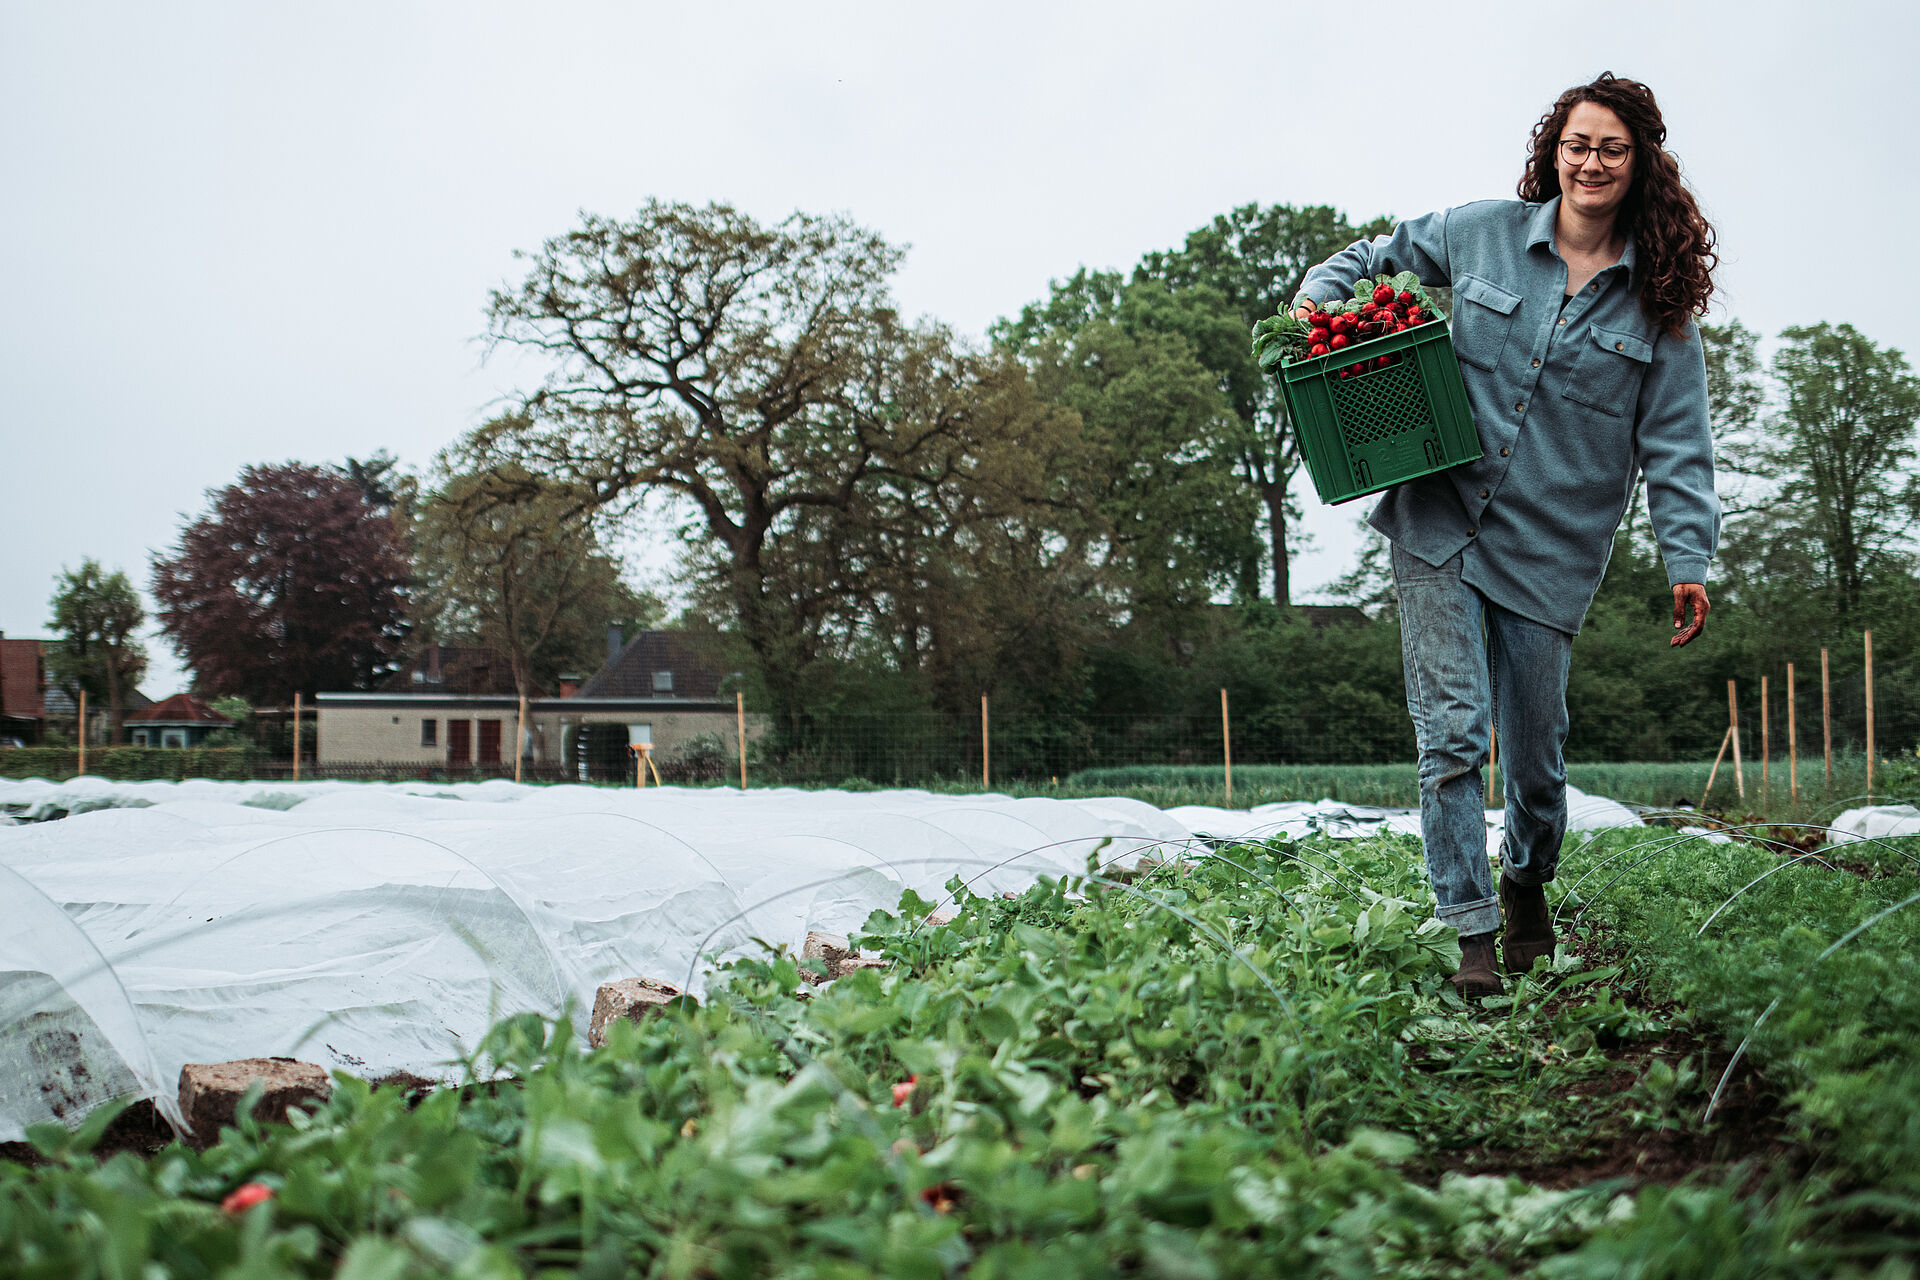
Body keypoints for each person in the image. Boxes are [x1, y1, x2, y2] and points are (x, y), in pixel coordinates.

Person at [1291, 72, 1720, 998]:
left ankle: (1527, 879)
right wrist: (1314, 309)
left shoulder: (1659, 305)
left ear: (1639, 162)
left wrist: (1688, 558)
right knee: (1450, 735)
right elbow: (1368, 258)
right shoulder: (1480, 232)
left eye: (1611, 147)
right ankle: (1472, 936)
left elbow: (1678, 445)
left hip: (1551, 552)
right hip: (1438, 520)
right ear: (1552, 152)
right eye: (1577, 144)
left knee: (1534, 758)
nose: (1591, 162)